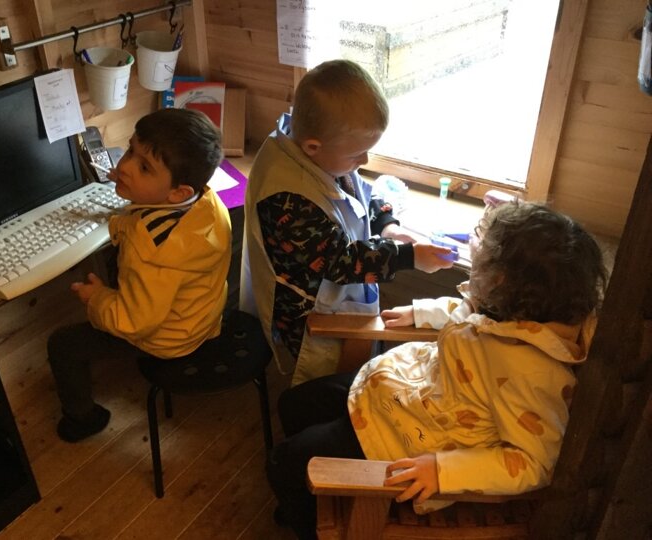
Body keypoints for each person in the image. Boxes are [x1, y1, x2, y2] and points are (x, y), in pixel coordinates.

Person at [266, 201, 608, 539]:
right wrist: (422, 313)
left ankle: (306, 509)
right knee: (294, 403)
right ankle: (309, 494)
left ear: (500, 279)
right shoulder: (512, 311)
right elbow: (468, 312)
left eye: (482, 249)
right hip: (408, 393)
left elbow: (537, 463)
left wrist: (444, 470)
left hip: (408, 441)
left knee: (283, 463)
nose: (474, 247)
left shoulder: (531, 372)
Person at [240, 59, 453, 386]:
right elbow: (340, 261)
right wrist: (407, 257)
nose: (364, 161)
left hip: (339, 296)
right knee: (321, 377)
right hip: (309, 313)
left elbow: (358, 193)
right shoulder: (287, 196)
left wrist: (387, 225)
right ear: (313, 147)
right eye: (357, 154)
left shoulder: (320, 153)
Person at [47, 108, 230, 443]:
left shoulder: (153, 251)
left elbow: (134, 322)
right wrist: (124, 213)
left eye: (144, 167)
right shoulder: (206, 202)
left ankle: (82, 419)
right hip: (201, 318)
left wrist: (97, 299)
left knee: (63, 344)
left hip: (167, 337)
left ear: (178, 192)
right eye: (131, 150)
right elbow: (145, 219)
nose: (124, 167)